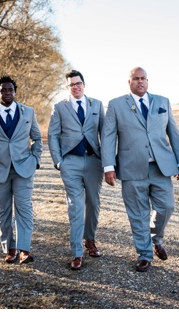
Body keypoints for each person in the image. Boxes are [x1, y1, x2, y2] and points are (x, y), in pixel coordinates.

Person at [101, 67, 179, 272]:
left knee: (167, 207)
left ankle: (155, 238)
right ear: (128, 82)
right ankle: (145, 254)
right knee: (138, 214)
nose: (140, 82)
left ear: (148, 81)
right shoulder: (116, 105)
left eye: (143, 78)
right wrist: (108, 166)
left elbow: (174, 134)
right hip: (131, 168)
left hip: (160, 167)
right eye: (136, 79)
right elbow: (109, 138)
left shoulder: (163, 102)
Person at [0, 76, 42, 264]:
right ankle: (10, 249)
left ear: (15, 91)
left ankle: (24, 250)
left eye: (10, 89)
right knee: (3, 211)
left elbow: (37, 138)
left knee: (24, 209)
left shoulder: (28, 112)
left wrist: (35, 159)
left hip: (24, 169)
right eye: (3, 90)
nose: (7, 93)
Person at [48, 70, 106, 270]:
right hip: (70, 163)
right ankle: (77, 252)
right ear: (67, 87)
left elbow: (105, 134)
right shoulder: (59, 107)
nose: (76, 86)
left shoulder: (97, 105)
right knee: (75, 206)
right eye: (71, 84)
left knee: (93, 203)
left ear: (84, 84)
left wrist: (107, 163)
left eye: (78, 83)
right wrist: (59, 161)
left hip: (93, 163)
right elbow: (53, 135)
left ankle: (90, 240)